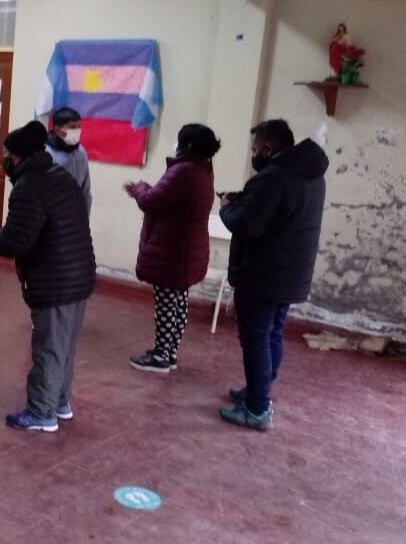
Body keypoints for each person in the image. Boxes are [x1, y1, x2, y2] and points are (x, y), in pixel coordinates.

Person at [0, 120, 96, 432]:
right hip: (78, 275)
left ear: (18, 157)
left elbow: (18, 241)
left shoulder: (29, 187)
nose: (4, 158)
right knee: (65, 346)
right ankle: (59, 402)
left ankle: (42, 412)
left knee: (49, 347)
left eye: (6, 153)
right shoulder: (59, 176)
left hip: (55, 280)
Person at [218, 119, 327, 431]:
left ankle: (256, 410)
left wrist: (227, 206)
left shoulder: (272, 179)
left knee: (255, 340)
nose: (255, 155)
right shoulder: (311, 175)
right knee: (273, 333)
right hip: (291, 273)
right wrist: (247, 201)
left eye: (256, 149)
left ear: (268, 148)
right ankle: (259, 393)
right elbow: (277, 214)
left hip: (262, 275)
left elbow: (247, 225)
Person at [124, 124, 221, 373]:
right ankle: (170, 351)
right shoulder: (204, 170)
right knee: (179, 301)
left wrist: (139, 187)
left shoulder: (184, 171)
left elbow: (151, 201)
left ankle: (161, 357)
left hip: (173, 250)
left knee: (167, 302)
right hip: (188, 249)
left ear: (186, 146)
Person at [45, 107, 92, 212]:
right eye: (72, 127)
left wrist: (84, 221)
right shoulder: (46, 154)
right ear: (57, 130)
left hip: (75, 216)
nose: (77, 131)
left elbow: (85, 190)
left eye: (79, 127)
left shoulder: (81, 152)